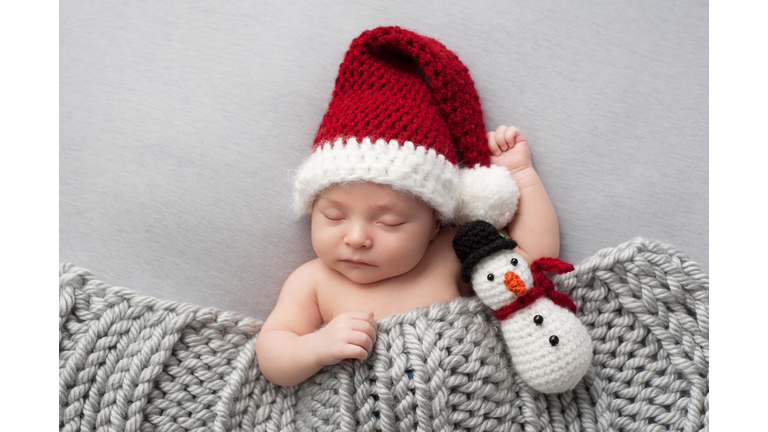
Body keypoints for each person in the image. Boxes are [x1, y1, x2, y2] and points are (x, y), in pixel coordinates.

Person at [254, 27, 558, 386]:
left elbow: (535, 261)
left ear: (434, 225)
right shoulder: (314, 281)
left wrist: (521, 174)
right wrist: (316, 346)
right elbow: (272, 353)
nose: (356, 237)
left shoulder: (451, 251)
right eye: (333, 216)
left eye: (390, 222)